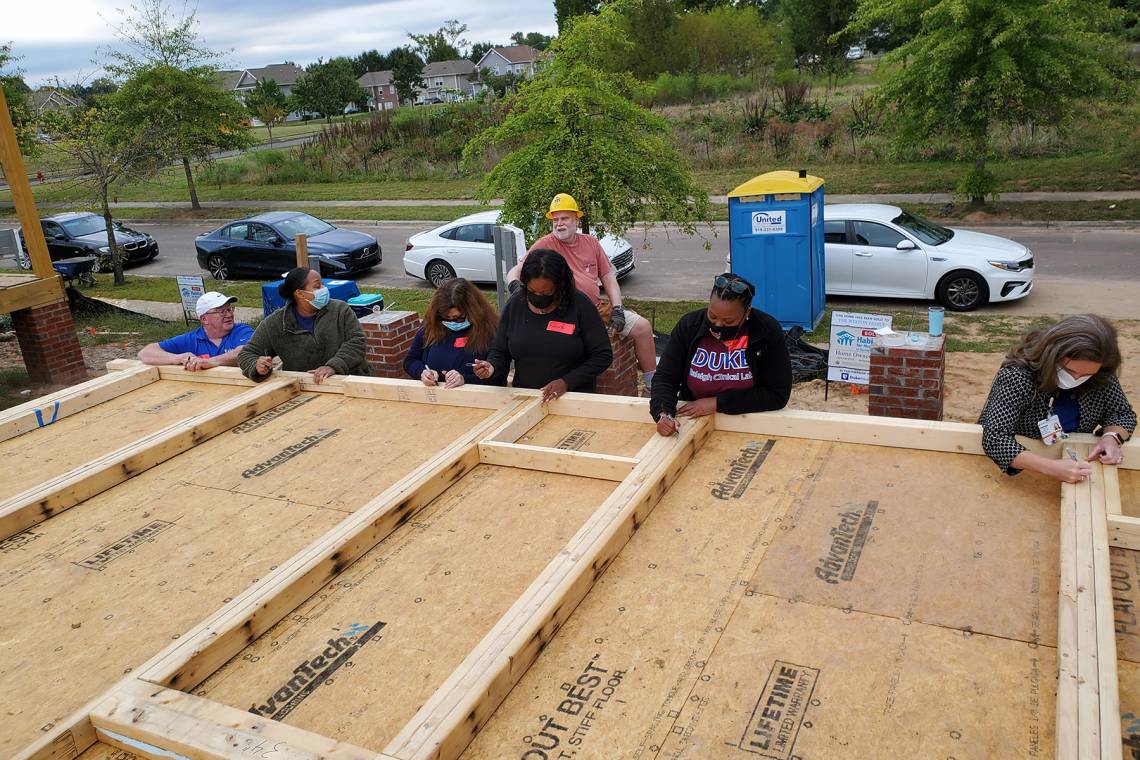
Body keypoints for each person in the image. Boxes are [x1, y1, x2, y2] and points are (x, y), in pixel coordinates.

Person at [506, 193, 657, 393]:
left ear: (576, 220)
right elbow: (514, 271)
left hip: (596, 308)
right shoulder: (545, 244)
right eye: (555, 219)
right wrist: (517, 289)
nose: (559, 224)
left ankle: (652, 386)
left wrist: (618, 308)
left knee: (643, 328)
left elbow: (608, 277)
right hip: (562, 311)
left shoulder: (591, 243)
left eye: (565, 218)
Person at [979, 314, 1134, 482]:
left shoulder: (1101, 375)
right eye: (1070, 371)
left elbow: (1122, 414)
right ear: (1052, 355)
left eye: (1086, 375)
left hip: (1070, 466)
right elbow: (995, 437)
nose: (1076, 379)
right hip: (1015, 472)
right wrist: (1051, 467)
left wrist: (1112, 437)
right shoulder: (1017, 376)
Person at [650, 273, 792, 436]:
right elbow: (666, 377)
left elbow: (777, 393)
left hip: (751, 419)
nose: (717, 325)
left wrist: (717, 403)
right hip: (693, 418)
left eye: (728, 322)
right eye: (712, 316)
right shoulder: (689, 326)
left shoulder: (766, 330)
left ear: (747, 312)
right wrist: (663, 413)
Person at [473, 249, 612, 401]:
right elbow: (500, 350)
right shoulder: (515, 304)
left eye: (546, 293)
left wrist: (567, 382)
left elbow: (602, 356)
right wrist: (491, 366)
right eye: (532, 291)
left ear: (560, 287)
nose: (538, 297)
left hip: (573, 398)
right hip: (527, 397)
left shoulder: (580, 305)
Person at [238, 267, 369, 384]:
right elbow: (246, 354)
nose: (323, 289)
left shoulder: (340, 310)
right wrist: (256, 365)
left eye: (322, 284)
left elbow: (357, 341)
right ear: (299, 293)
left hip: (351, 382)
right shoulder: (275, 323)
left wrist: (334, 366)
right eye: (317, 286)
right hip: (307, 388)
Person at [404, 277, 501, 388]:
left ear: (472, 312)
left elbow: (498, 379)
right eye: (446, 318)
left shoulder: (491, 331)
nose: (452, 322)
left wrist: (465, 379)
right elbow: (410, 361)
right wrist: (422, 372)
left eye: (458, 318)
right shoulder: (431, 325)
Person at [137, 291, 253, 371]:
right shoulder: (192, 339)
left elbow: (246, 351)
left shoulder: (242, 331)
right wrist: (178, 358)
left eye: (229, 309)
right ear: (204, 319)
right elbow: (145, 353)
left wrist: (210, 362)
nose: (229, 314)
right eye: (221, 311)